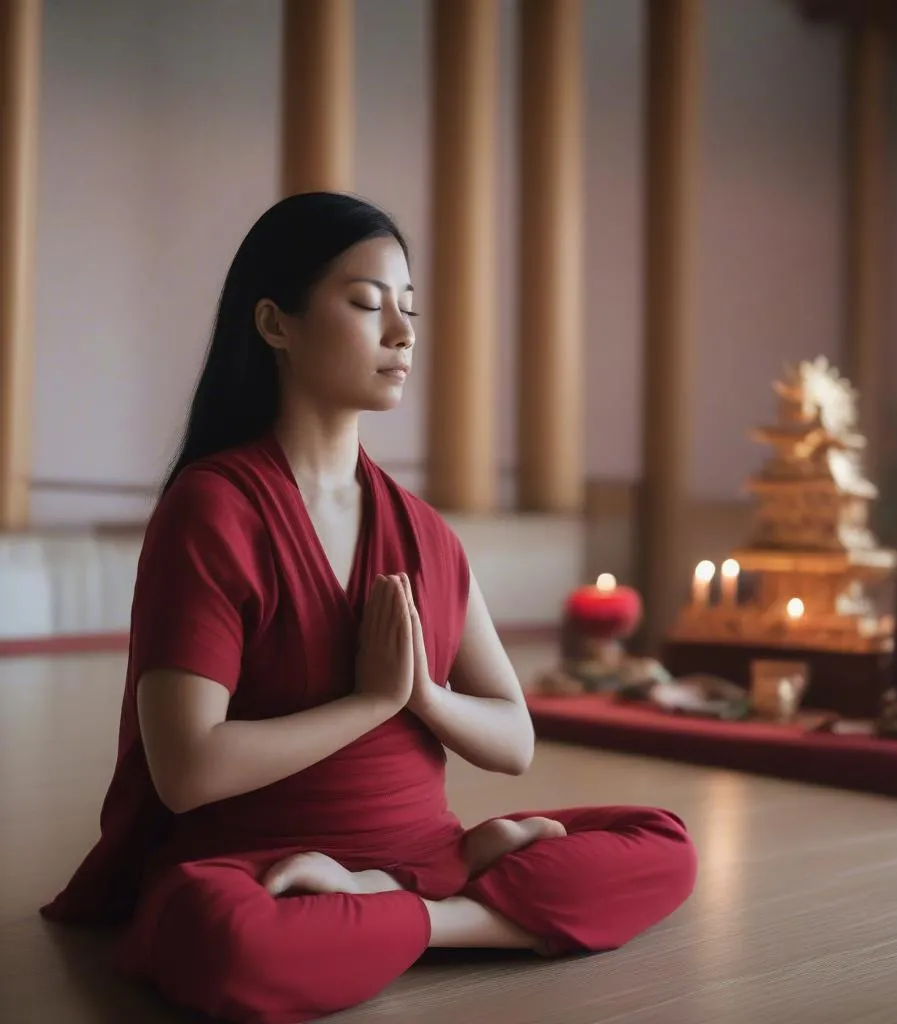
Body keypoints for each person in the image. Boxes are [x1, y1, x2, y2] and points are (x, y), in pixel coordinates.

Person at [40, 193, 698, 1024]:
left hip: (422, 857)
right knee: (225, 943)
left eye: (410, 309)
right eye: (366, 304)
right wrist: (372, 703)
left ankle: (401, 910)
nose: (402, 334)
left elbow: (515, 740)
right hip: (260, 874)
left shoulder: (424, 531)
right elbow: (186, 772)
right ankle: (472, 916)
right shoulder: (214, 509)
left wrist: (423, 698)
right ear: (276, 324)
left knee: (665, 845)